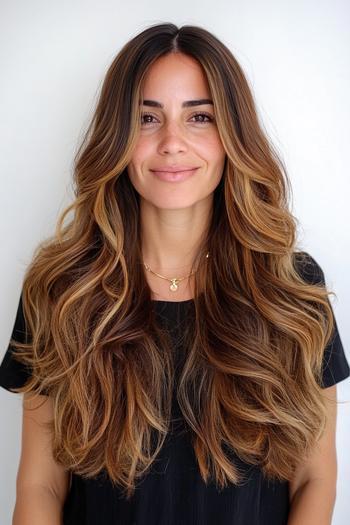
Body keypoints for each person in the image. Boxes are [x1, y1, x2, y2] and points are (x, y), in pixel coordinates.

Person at [0, 22, 349, 525]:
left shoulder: (290, 290)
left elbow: (315, 478)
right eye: (146, 118)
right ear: (116, 135)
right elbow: (40, 485)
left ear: (233, 135)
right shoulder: (63, 289)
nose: (172, 143)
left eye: (199, 117)